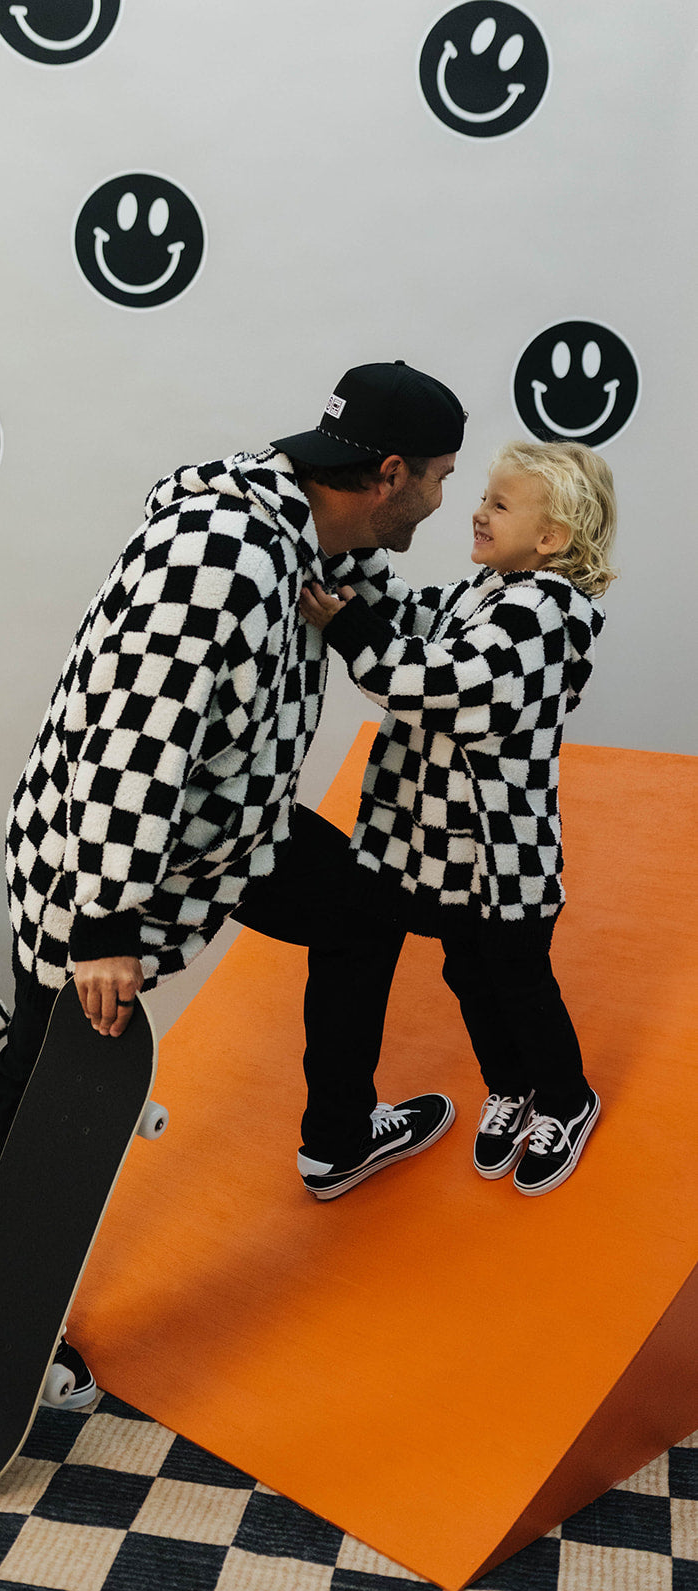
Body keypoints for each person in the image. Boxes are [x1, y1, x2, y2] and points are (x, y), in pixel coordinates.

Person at [0, 360, 466, 1403]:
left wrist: (535, 604)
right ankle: (8, 1325)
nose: (441, 501)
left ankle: (337, 1140)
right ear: (388, 473)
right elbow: (131, 741)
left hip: (226, 834)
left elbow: (398, 628)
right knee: (48, 1079)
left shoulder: (321, 538)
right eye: (439, 478)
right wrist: (103, 925)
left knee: (362, 908)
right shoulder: (218, 554)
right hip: (98, 850)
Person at [299, 438, 617, 1200]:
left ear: (549, 539)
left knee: (519, 982)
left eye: (498, 505)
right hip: (449, 856)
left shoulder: (544, 616)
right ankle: (510, 1086)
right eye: (482, 497)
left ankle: (565, 1099)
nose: (476, 512)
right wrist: (355, 553)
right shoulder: (488, 590)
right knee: (469, 973)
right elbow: (411, 613)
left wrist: (348, 631)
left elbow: (446, 685)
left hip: (505, 858)